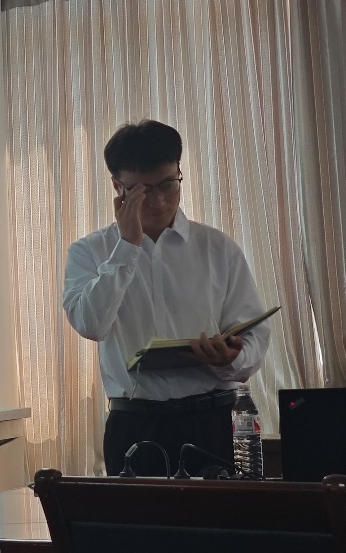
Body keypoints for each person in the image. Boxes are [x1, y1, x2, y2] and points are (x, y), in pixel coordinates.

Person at [62, 120, 271, 477]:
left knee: (223, 515)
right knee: (138, 516)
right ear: (118, 186)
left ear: (179, 173)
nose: (158, 200)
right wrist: (127, 246)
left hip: (213, 421)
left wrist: (231, 358)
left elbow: (254, 337)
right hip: (135, 425)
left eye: (168, 185)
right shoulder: (90, 252)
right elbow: (91, 325)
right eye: (143, 190)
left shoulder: (217, 248)